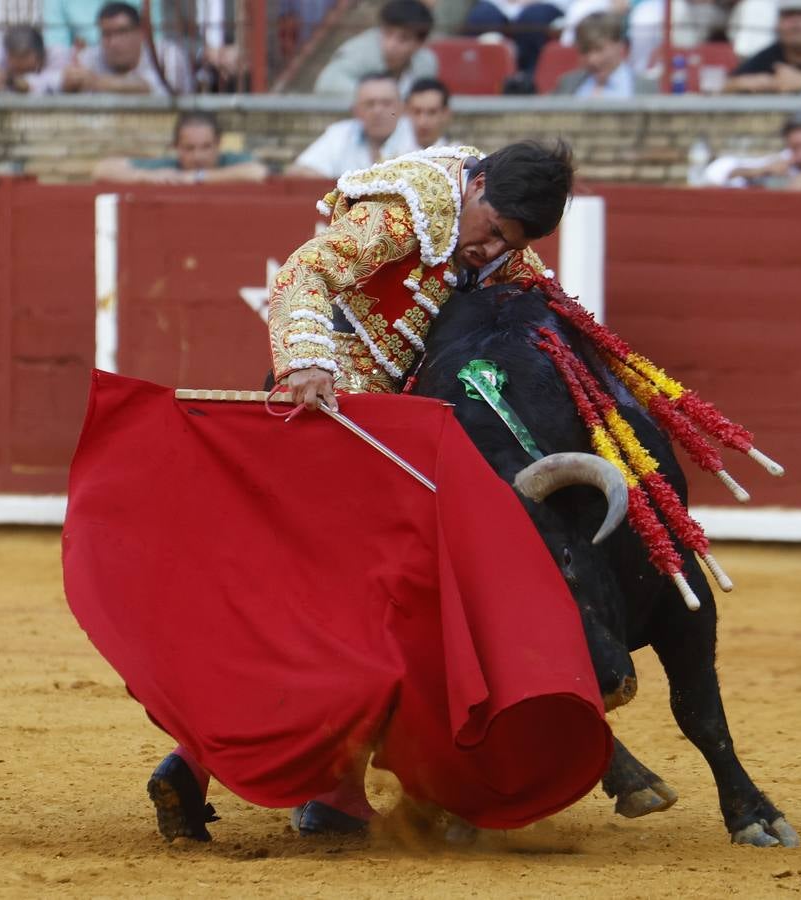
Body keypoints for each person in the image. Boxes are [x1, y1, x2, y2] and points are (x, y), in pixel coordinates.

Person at [144, 141, 576, 839]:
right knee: (366, 617)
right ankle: (330, 793)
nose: (487, 247)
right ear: (477, 184)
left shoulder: (500, 247)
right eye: (489, 225)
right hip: (324, 423)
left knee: (301, 613)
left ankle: (195, 768)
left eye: (508, 241)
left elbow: (535, 306)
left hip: (386, 440)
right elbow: (303, 275)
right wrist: (308, 362)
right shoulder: (410, 211)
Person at [286, 73, 419, 179]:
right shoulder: (339, 133)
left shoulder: (418, 133)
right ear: (356, 110)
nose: (377, 111)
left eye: (386, 103)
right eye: (370, 104)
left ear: (402, 108)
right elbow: (297, 172)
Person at [92, 110, 268, 184]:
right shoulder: (170, 167)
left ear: (218, 144)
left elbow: (258, 172)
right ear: (176, 147)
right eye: (189, 148)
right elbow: (102, 169)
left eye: (206, 147)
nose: (198, 156)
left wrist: (197, 177)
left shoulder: (231, 161)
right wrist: (146, 176)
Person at [63, 1, 194, 96]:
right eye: (106, 34)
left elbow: (153, 87)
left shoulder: (168, 55)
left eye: (122, 32)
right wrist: (70, 82)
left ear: (141, 33)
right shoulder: (91, 56)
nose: (113, 42)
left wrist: (96, 82)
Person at [314, 0, 438, 96]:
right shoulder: (360, 50)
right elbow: (327, 83)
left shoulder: (426, 62)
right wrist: (376, 97)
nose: (391, 44)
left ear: (420, 44)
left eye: (403, 39)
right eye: (387, 34)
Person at [553, 11, 660, 97]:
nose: (592, 60)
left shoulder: (645, 88)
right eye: (585, 51)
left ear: (619, 46)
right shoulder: (567, 84)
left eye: (599, 50)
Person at [464, 0, 566, 77]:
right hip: (502, 8)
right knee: (483, 16)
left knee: (533, 17)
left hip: (548, 9)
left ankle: (527, 78)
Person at [0, 23, 68, 94]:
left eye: (27, 70)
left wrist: (12, 81)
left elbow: (54, 83)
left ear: (41, 57)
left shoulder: (57, 55)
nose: (21, 75)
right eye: (16, 70)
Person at [405, 76, 453, 148]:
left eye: (432, 112)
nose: (423, 122)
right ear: (407, 111)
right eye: (417, 112)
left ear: (445, 114)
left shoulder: (460, 157)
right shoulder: (393, 154)